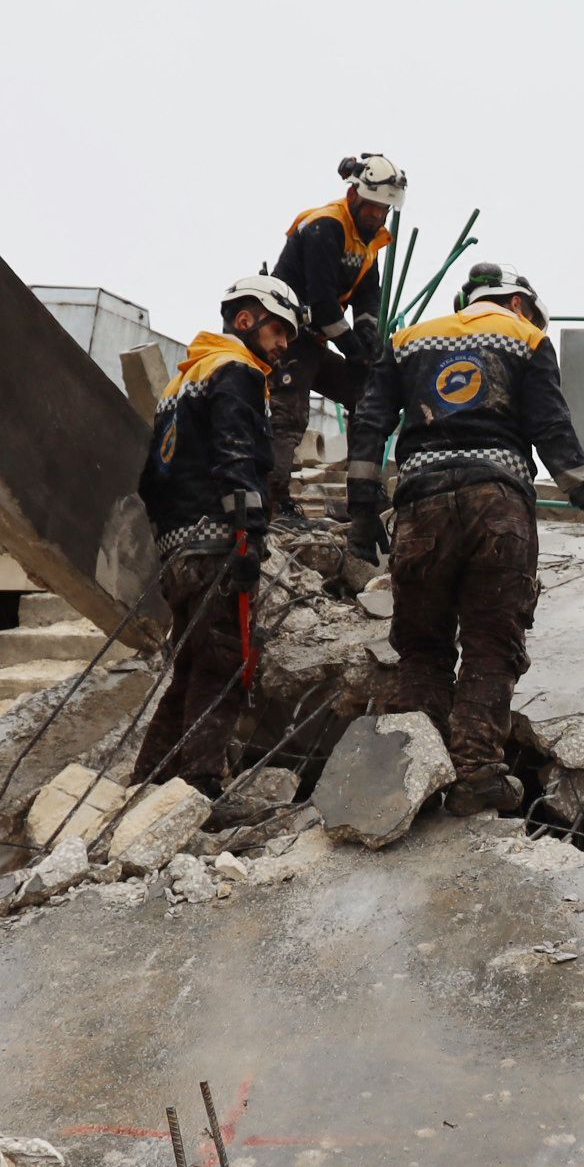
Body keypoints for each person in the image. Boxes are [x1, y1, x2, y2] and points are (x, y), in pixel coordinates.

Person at [345, 261, 584, 816]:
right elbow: (552, 429)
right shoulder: (527, 338)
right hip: (497, 504)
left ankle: (413, 777)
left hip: (420, 504)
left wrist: (361, 511)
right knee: (491, 644)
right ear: (519, 303)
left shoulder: (408, 340)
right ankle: (474, 773)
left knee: (423, 646)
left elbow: (369, 421)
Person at [130, 275, 301, 791]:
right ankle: (199, 783)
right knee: (224, 662)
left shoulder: (179, 384)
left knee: (190, 666)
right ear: (247, 320)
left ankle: (151, 780)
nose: (285, 344)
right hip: (216, 545)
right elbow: (238, 457)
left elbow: (150, 479)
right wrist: (247, 534)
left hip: (177, 550)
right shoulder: (238, 371)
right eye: (280, 330)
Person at [263, 152, 406, 521]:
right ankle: (272, 499)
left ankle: (364, 494)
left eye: (384, 210)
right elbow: (324, 304)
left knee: (366, 395)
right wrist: (354, 348)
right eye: (372, 207)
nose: (377, 215)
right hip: (285, 337)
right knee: (290, 413)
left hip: (315, 339)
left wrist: (368, 335)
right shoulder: (325, 226)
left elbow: (367, 295)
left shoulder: (369, 241)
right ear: (355, 195)